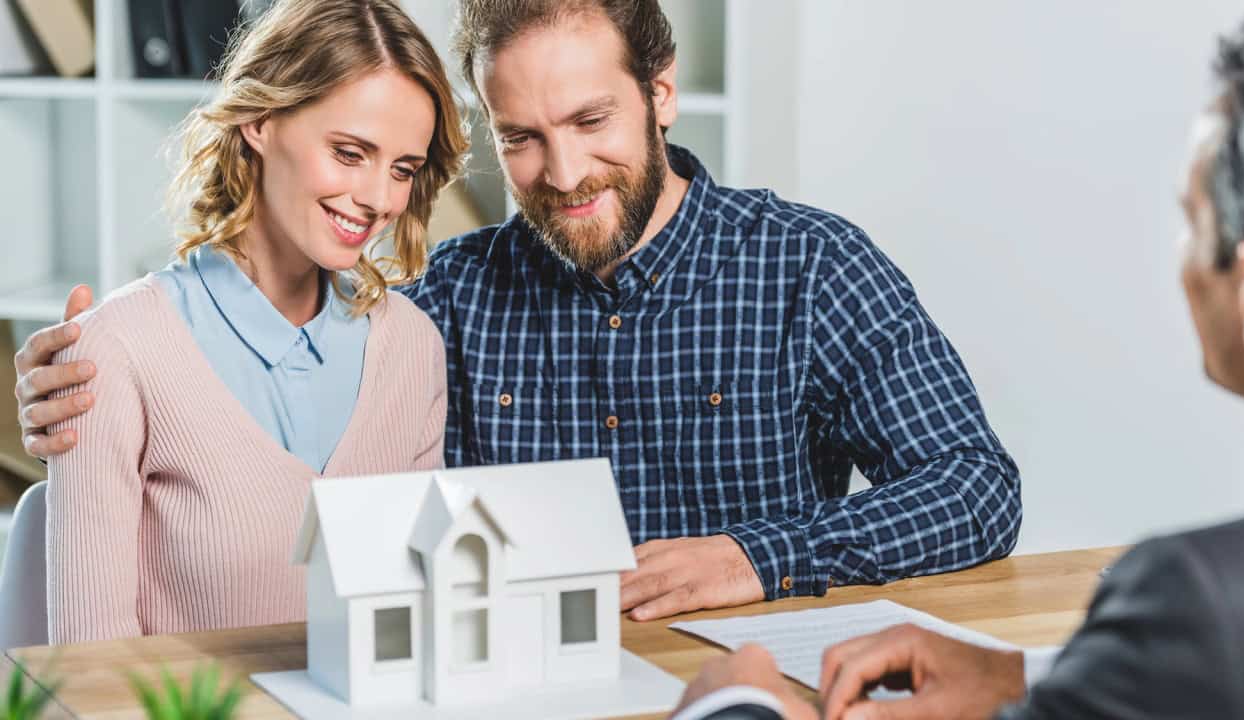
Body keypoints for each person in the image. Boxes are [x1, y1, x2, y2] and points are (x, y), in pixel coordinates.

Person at [14, 0, 1021, 622]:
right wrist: (77, 392)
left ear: (659, 93)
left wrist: (758, 556)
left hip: (748, 693)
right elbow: (287, 371)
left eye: (591, 121)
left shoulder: (809, 267)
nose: (565, 171)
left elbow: (976, 490)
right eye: (524, 137)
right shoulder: (444, 302)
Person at [672, 9, 1244, 720]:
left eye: (1191, 219)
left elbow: (974, 486)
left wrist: (739, 702)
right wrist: (1026, 679)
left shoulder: (1195, 597)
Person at [33, 0, 465, 643]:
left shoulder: (410, 346)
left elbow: (410, 632)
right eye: (350, 153)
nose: (379, 199)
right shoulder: (119, 348)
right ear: (260, 121)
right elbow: (90, 670)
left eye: (402, 169)